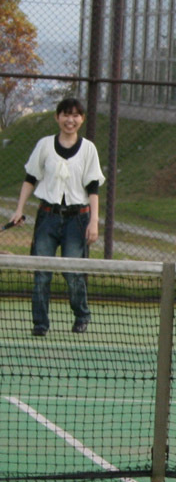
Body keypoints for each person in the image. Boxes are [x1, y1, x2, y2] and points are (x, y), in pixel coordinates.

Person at [11, 96, 105, 336]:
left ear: (81, 119)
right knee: (42, 273)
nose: (70, 120)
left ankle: (81, 316)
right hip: (48, 217)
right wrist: (19, 210)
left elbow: (93, 188)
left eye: (75, 115)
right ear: (57, 117)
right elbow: (30, 178)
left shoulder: (88, 149)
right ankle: (40, 324)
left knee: (73, 274)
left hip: (77, 220)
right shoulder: (44, 145)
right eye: (65, 114)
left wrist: (94, 221)